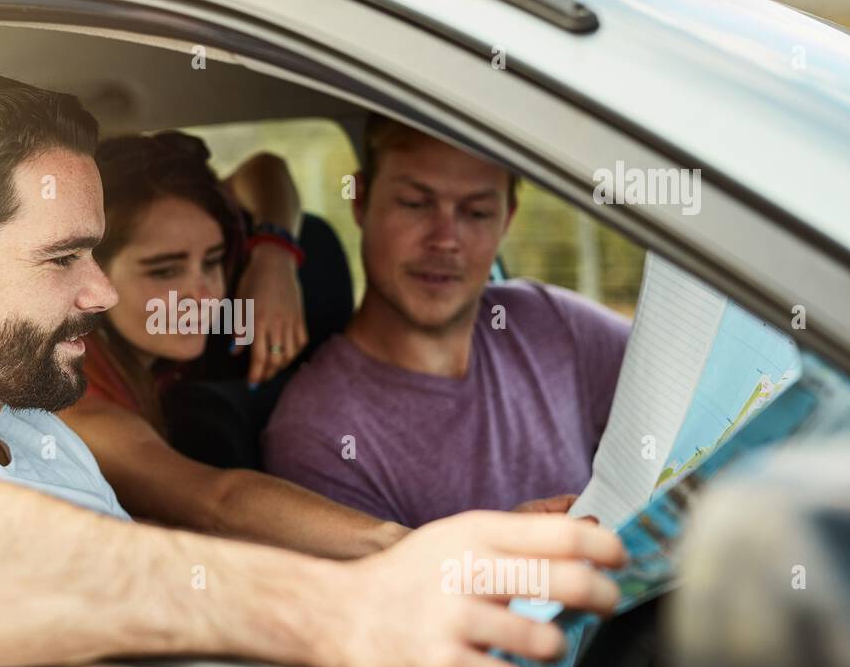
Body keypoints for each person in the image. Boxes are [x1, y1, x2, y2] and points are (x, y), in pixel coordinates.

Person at [0, 66, 625, 667]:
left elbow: (211, 508)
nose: (100, 291)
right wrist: (338, 613)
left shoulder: (34, 427)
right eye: (65, 257)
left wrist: (422, 552)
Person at [61, 131, 572, 558]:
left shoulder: (173, 302)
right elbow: (217, 499)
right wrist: (427, 550)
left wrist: (273, 255)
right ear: (90, 272)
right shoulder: (79, 410)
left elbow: (265, 171)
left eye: (215, 260)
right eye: (165, 270)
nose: (206, 293)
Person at [263, 116, 631, 528]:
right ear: (361, 200)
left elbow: (694, 401)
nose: (445, 239)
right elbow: (382, 591)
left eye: (476, 213)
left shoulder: (551, 323)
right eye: (415, 204)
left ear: (506, 219)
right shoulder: (319, 434)